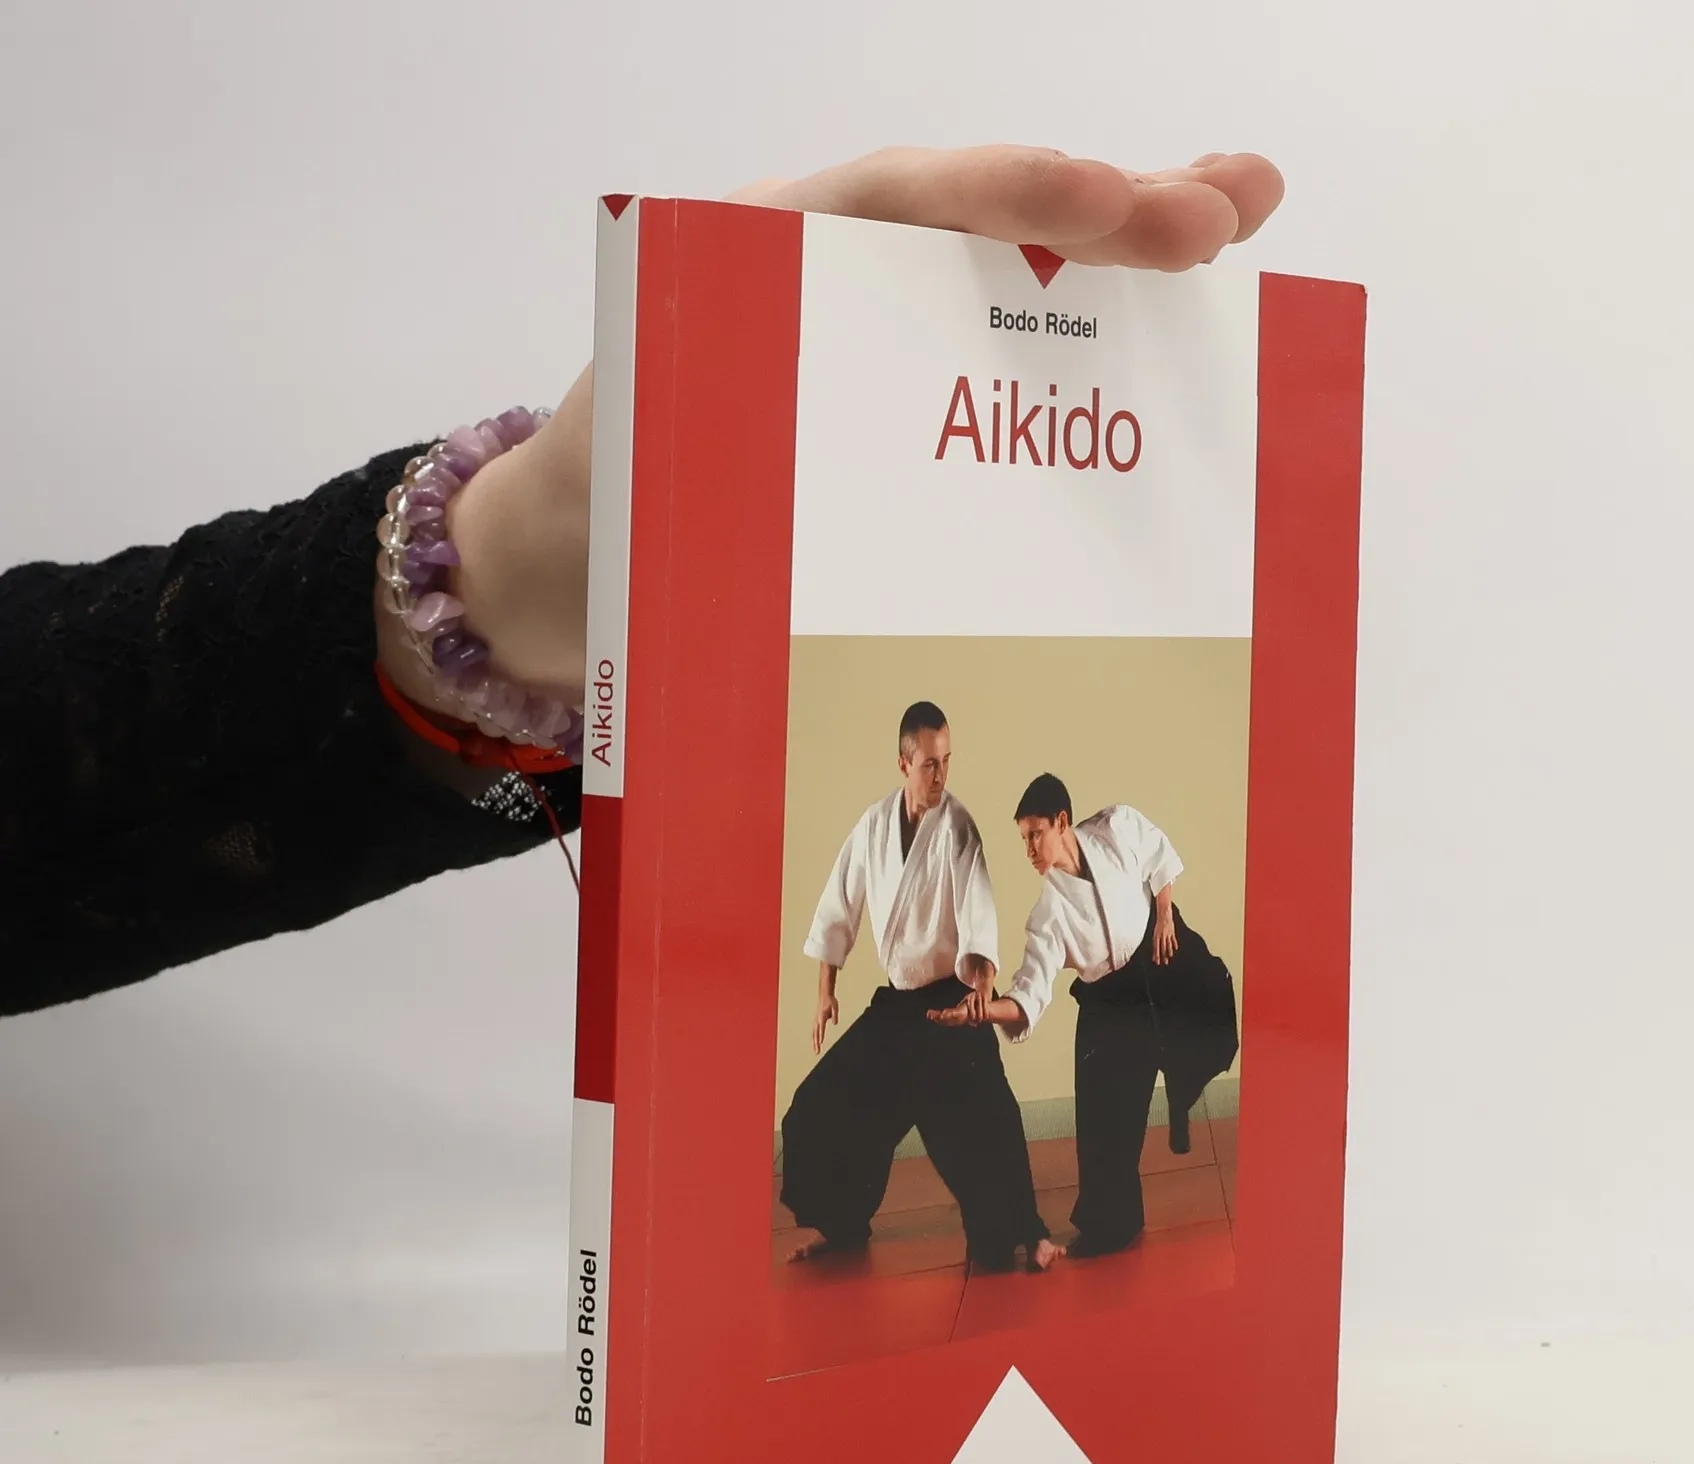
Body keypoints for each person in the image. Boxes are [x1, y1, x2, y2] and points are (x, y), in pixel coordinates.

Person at [0, 146, 1284, 1018]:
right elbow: (903, 932)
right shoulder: (911, 845)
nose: (951, 785)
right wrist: (907, 996)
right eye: (933, 760)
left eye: (949, 764)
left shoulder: (1088, 838)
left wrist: (503, 570)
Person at [780, 705, 1062, 1272]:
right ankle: (841, 1225)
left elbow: (979, 916)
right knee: (816, 1108)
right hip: (899, 1006)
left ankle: (1030, 1233)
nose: (941, 774)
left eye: (947, 761)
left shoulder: (958, 828)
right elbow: (839, 906)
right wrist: (825, 991)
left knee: (986, 1122)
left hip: (954, 1001)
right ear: (904, 763)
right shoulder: (873, 826)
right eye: (930, 764)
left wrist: (982, 987)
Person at [931, 775, 1238, 1259]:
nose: (1029, 850)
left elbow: (1158, 854)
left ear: (1062, 822)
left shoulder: (1116, 827)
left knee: (1213, 1005)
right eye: (1023, 839)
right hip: (1111, 1001)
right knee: (1102, 1117)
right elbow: (1030, 989)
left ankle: (1181, 1099)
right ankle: (1114, 1223)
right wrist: (984, 1011)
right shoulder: (1049, 914)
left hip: (1160, 954)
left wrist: (1164, 914)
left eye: (1036, 834)